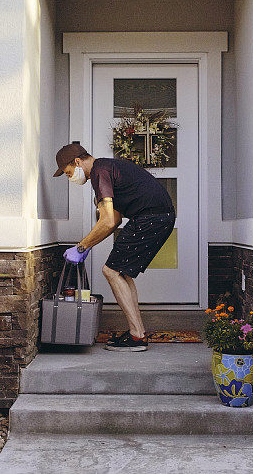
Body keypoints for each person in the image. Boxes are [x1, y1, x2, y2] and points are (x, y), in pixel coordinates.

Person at [52, 143, 175, 352]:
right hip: (156, 217)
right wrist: (89, 244)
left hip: (151, 218)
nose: (70, 178)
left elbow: (108, 221)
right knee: (123, 273)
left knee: (111, 271)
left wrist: (81, 247)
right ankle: (138, 333)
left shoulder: (100, 172)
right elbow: (115, 219)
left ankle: (137, 336)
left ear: (77, 162)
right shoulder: (106, 169)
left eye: (68, 173)